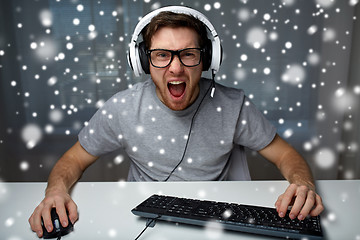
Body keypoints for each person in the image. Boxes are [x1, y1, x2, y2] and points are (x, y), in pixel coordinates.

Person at [29, 6, 324, 238]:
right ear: (144, 62)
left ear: (206, 58)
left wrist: (303, 183)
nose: (176, 67)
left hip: (215, 222)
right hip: (144, 221)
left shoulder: (234, 105)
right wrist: (55, 192)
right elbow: (73, 159)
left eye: (188, 54)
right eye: (161, 55)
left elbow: (286, 154)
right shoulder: (123, 107)